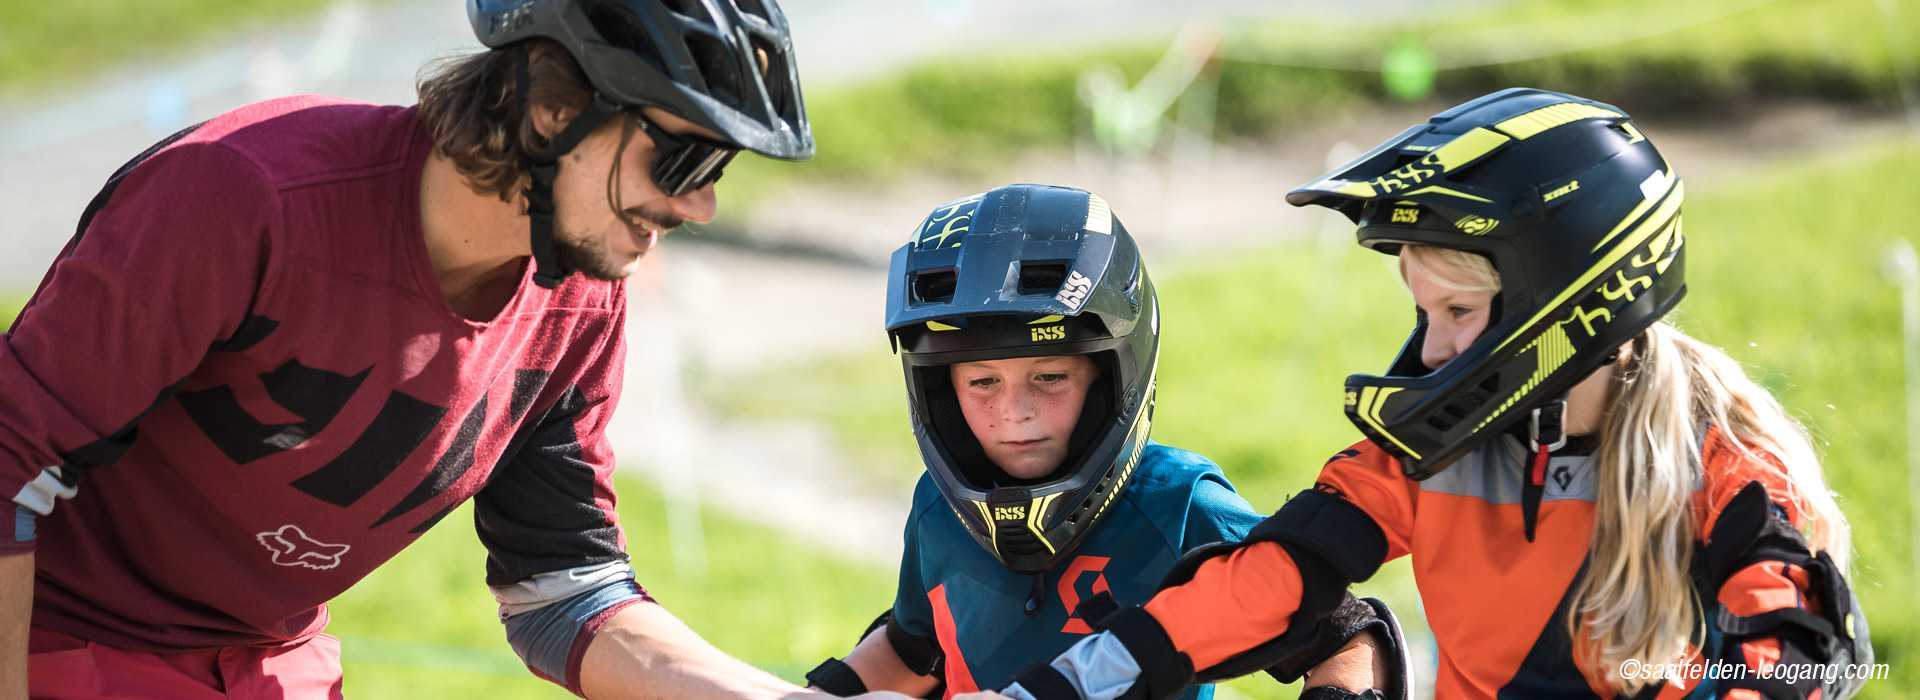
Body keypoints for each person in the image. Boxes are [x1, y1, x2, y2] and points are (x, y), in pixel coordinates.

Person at [0, 1, 905, 698]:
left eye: (721, 172)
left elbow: (565, 592)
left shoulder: (580, 298)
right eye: (686, 162)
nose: (701, 205)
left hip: (275, 662)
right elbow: (7, 458)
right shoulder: (247, 197)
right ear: (554, 109)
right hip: (63, 644)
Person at [964, 89, 1873, 700]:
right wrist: (1061, 686)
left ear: (1575, 302)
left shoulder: (1724, 469)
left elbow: (1804, 658)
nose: (1431, 349)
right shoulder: (1431, 450)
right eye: (1421, 312)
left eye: (1459, 312)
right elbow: (1270, 580)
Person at [802, 184, 1400, 700]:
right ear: (938, 395)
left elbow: (1348, 633)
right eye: (982, 381)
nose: (1014, 412)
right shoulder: (936, 509)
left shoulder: (1178, 503)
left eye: (1051, 377)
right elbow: (913, 648)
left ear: (1111, 377)